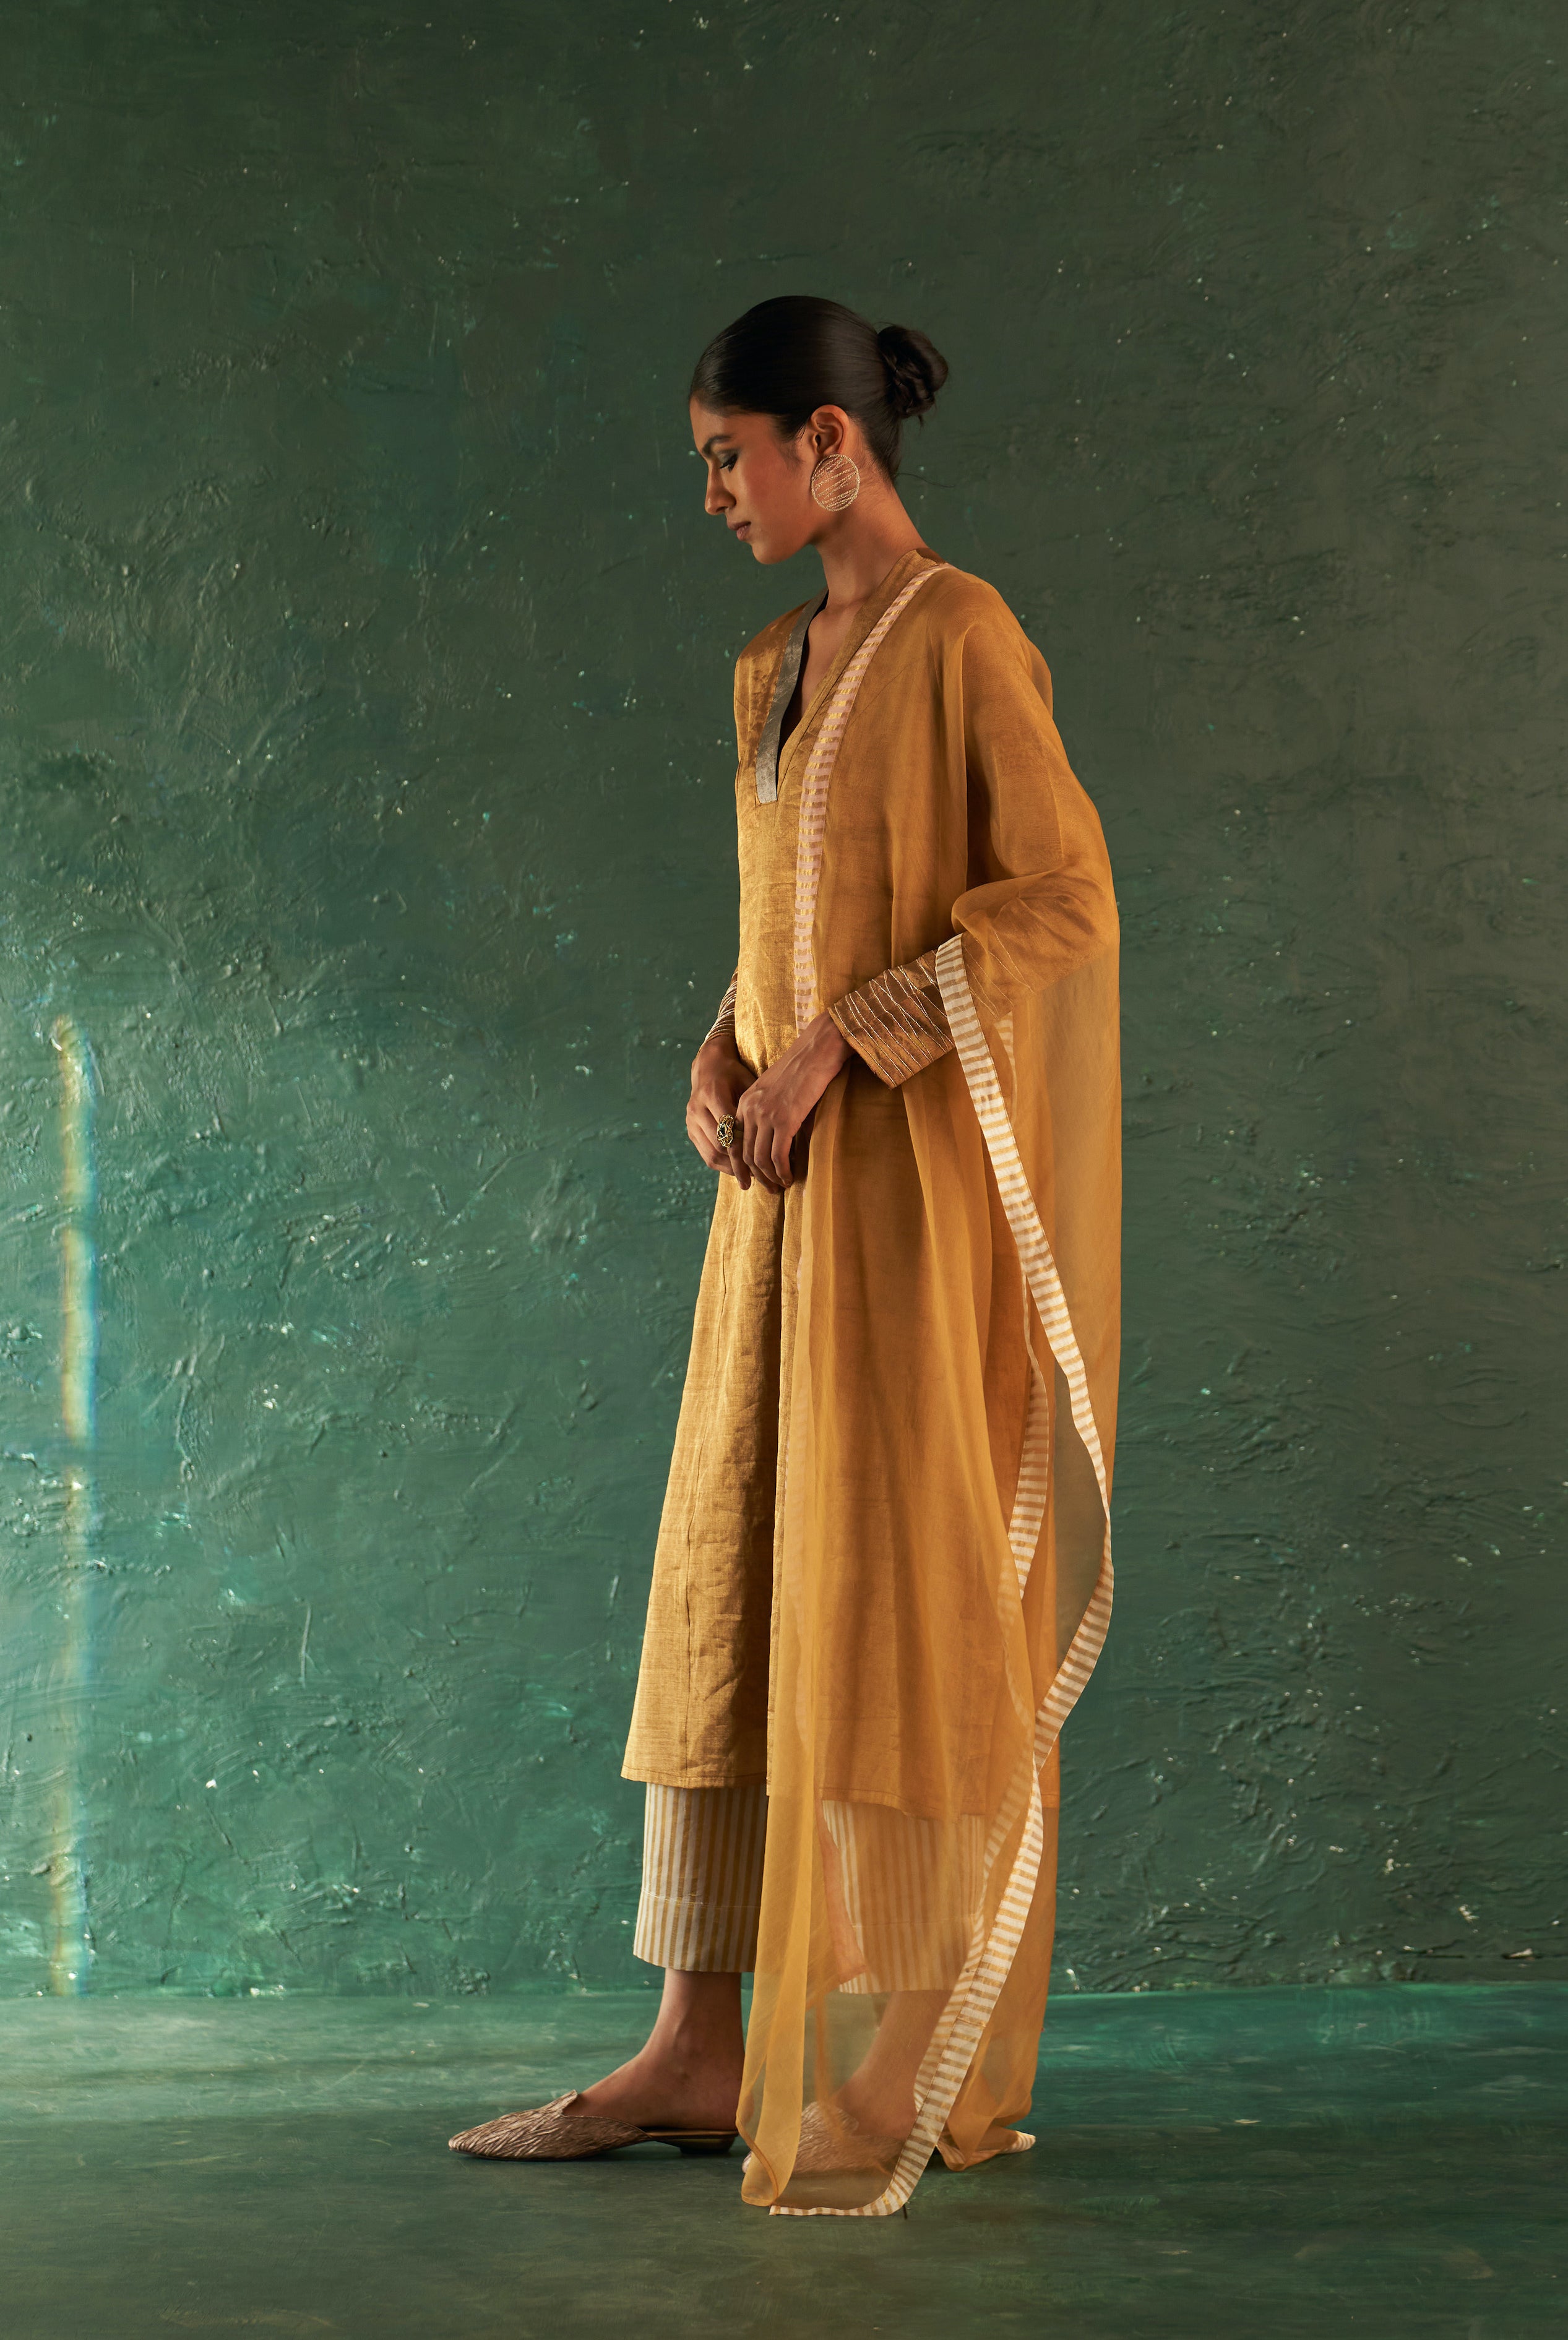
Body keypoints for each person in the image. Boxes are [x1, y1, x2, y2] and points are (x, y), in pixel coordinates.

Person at [450, 295, 1121, 2216]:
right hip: (773, 1211)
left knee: (898, 1589)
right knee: (729, 1573)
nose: (714, 494)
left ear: (831, 443)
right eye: (706, 465)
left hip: (906, 1208)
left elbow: (1061, 898)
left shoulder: (964, 635)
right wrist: (729, 1042)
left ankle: (910, 2046)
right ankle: (694, 2042)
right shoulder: (767, 667)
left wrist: (848, 1039)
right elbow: (793, 917)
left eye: (727, 456)